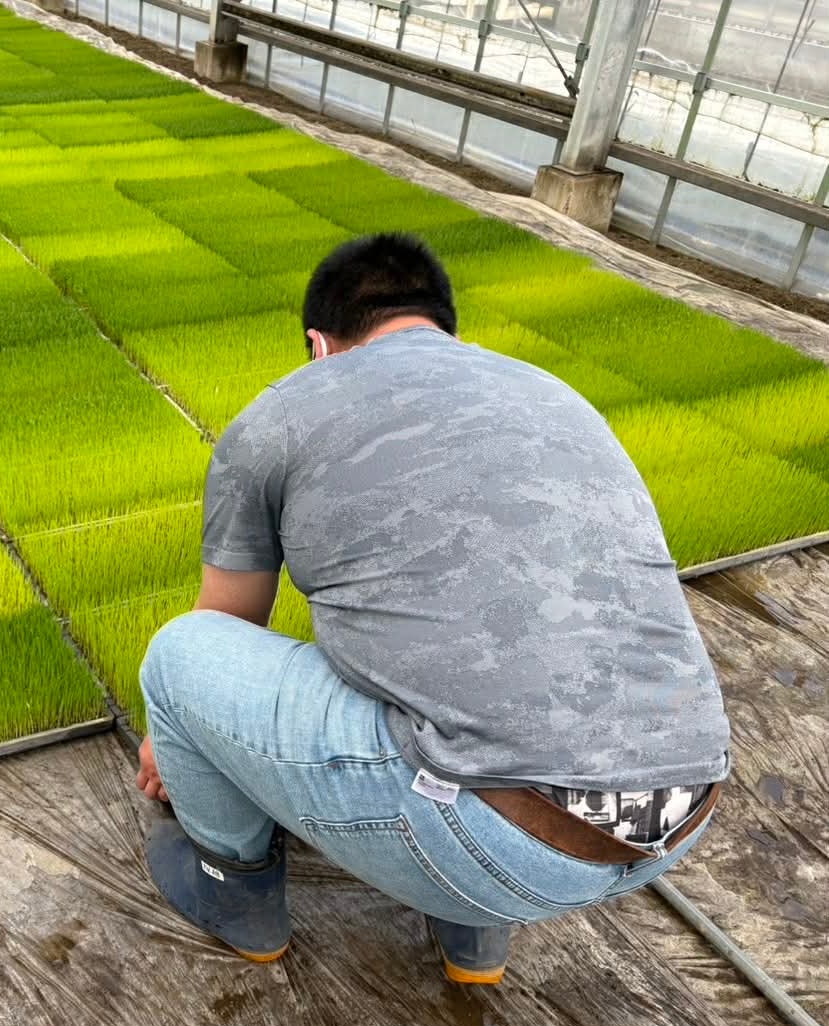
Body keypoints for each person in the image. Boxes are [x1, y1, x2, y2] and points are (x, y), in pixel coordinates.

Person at [134, 233, 730, 983]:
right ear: (443, 327)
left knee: (178, 656)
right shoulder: (552, 392)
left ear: (319, 344)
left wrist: (176, 739)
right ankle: (473, 930)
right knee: (456, 647)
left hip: (495, 839)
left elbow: (225, 624)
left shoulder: (278, 416)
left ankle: (236, 893)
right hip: (683, 812)